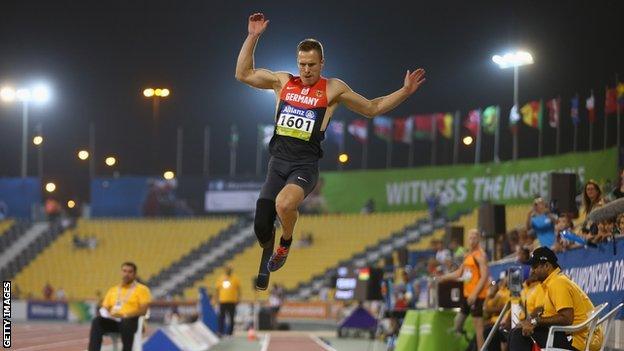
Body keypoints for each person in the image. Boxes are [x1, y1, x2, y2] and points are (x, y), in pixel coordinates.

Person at [236, 13, 426, 273]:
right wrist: (253, 36)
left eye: (312, 64)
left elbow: (372, 108)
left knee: (284, 204)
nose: (306, 70)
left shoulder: (333, 89)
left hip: (304, 166)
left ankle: (286, 241)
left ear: (322, 63)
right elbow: (243, 74)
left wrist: (403, 92)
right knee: (260, 226)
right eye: (302, 64)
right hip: (277, 163)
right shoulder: (282, 82)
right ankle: (268, 239)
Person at [508, 246, 603, 351]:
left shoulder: (558, 283)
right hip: (571, 334)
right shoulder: (554, 281)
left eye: (535, 266)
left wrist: (535, 322)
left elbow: (566, 318)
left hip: (577, 340)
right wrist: (531, 322)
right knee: (516, 331)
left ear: (547, 266)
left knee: (518, 334)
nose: (532, 271)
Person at [437, 229, 490, 350]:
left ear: (479, 238)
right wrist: (444, 277)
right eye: (470, 236)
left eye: (475, 236)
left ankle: (481, 349)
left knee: (478, 327)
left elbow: (484, 276)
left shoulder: (480, 255)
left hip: (477, 296)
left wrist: (475, 294)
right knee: (457, 323)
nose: (472, 238)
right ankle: (467, 339)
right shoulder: (469, 255)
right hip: (467, 295)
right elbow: (459, 273)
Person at [88, 262, 151, 351]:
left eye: (130, 272)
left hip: (132, 321)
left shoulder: (142, 290)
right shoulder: (113, 289)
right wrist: (107, 314)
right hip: (114, 321)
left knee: (126, 322)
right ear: (121, 272)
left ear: (135, 274)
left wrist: (126, 315)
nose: (126, 274)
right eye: (124, 271)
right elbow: (105, 307)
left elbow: (144, 310)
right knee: (97, 321)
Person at [215, 266, 240, 336]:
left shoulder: (235, 279)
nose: (228, 271)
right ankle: (220, 331)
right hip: (223, 301)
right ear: (225, 270)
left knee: (231, 317)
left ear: (231, 270)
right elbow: (217, 290)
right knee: (221, 317)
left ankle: (230, 333)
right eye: (227, 269)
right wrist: (216, 299)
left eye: (230, 269)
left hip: (232, 301)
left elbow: (238, 289)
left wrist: (238, 298)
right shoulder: (221, 278)